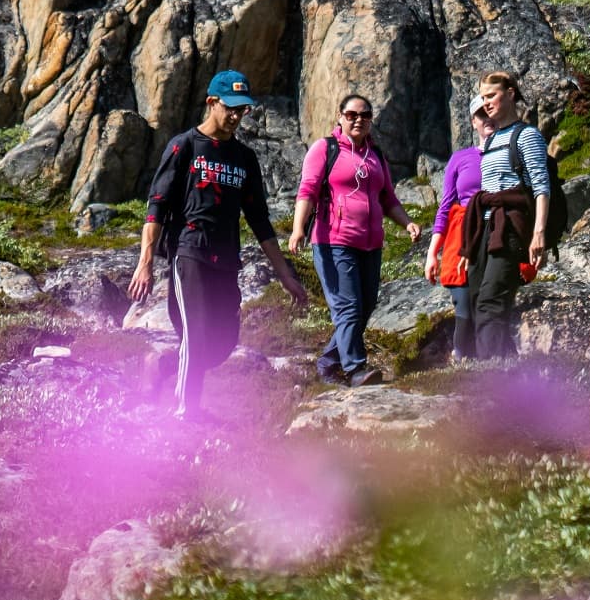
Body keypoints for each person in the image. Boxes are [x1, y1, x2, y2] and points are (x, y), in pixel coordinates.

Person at [129, 69, 310, 421]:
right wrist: (145, 262)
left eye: (242, 110)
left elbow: (260, 221)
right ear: (212, 102)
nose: (236, 116)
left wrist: (285, 274)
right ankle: (186, 414)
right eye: (230, 108)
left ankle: (163, 364)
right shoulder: (184, 146)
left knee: (222, 343)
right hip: (189, 253)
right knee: (196, 335)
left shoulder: (245, 158)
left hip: (226, 259)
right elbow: (157, 208)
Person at [288, 93, 421, 386]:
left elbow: (388, 198)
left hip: (370, 245)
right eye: (351, 115)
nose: (358, 120)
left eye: (365, 115)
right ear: (340, 117)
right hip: (334, 241)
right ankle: (355, 369)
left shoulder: (376, 156)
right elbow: (307, 190)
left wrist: (408, 222)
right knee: (348, 307)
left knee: (365, 306)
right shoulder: (325, 148)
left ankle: (328, 363)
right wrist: (298, 229)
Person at [456, 71, 550, 357]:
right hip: (485, 229)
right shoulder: (492, 139)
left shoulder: (527, 136)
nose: (486, 102)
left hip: (510, 227)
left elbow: (541, 186)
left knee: (491, 299)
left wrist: (539, 233)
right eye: (482, 97)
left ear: (510, 93)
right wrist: (470, 245)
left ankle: (490, 371)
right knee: (477, 298)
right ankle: (505, 364)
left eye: (491, 95)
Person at [426, 91, 495, 361]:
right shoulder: (460, 158)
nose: (487, 118)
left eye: (490, 111)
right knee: (464, 302)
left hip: (497, 231)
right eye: (480, 114)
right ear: (473, 122)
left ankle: (489, 363)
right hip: (461, 236)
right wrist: (433, 253)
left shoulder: (511, 153)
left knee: (488, 300)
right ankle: (462, 357)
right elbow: (445, 207)